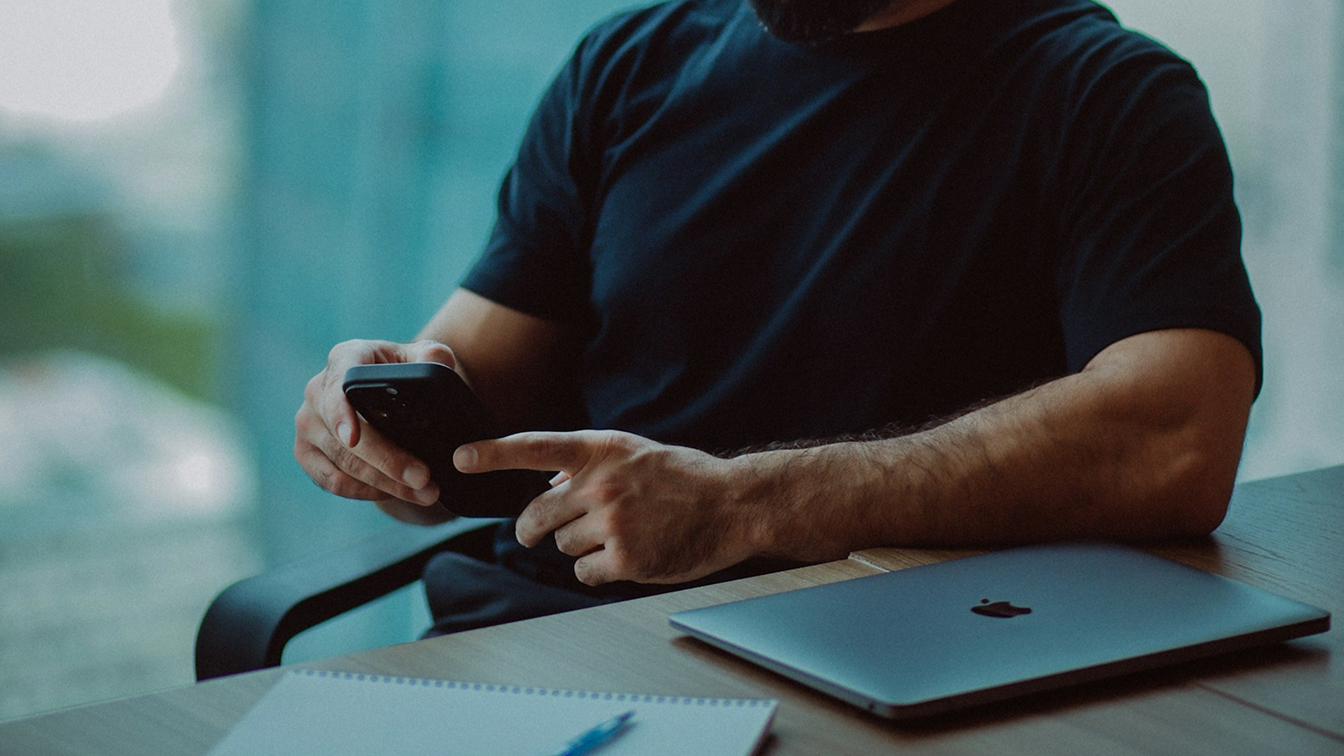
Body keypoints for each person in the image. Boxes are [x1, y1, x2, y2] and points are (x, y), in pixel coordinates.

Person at [294, 0, 1261, 633]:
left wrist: (742, 504)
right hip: (534, 644)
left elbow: (1174, 441)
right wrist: (374, 433)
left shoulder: (1106, 93)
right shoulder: (628, 64)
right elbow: (460, 428)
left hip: (863, 661)